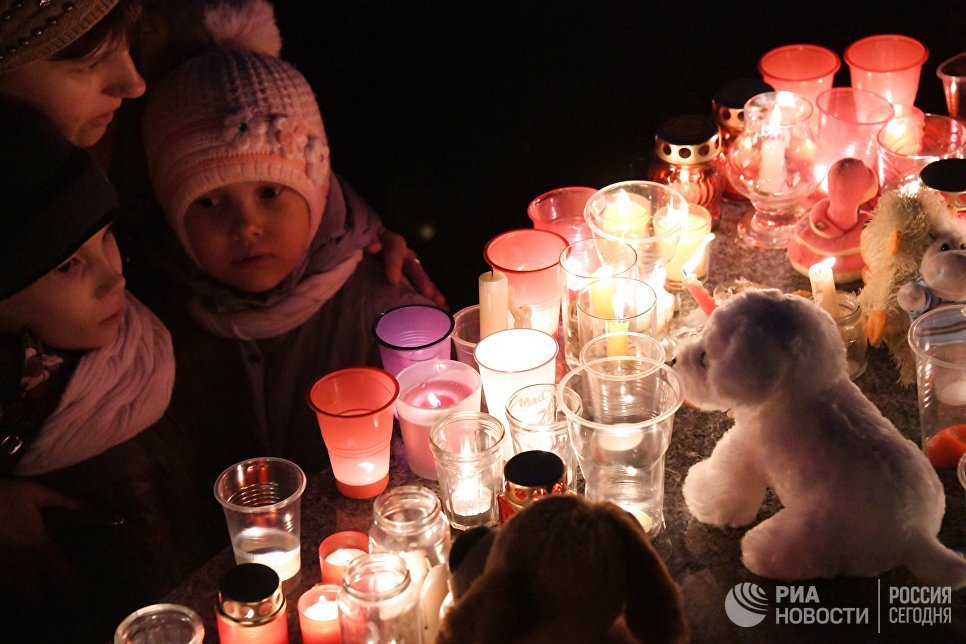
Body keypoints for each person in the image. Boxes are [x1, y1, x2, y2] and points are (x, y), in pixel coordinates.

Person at [139, 5, 440, 480]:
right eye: (209, 203)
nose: (246, 226)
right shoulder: (154, 335)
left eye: (269, 192)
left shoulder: (385, 318)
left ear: (317, 191)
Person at [0, 0, 447, 307]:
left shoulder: (107, 170)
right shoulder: (165, 301)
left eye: (269, 191)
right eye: (89, 61)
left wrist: (349, 227)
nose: (134, 84)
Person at [0, 97, 216, 642]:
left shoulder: (150, 337)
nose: (114, 279)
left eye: (106, 238)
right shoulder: (17, 420)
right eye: (68, 265)